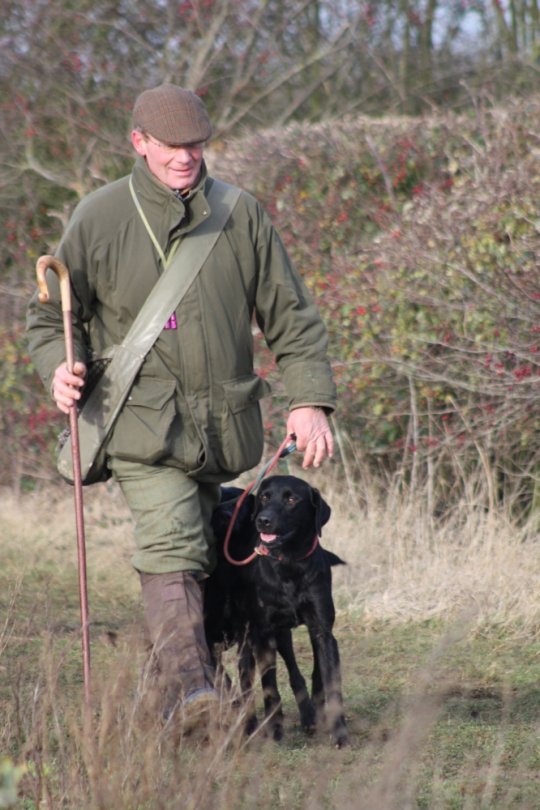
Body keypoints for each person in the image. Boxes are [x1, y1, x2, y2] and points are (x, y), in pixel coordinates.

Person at [26, 83, 337, 729]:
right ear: (138, 142)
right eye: (171, 146)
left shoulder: (240, 213)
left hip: (222, 430)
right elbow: (51, 319)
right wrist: (57, 366)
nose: (185, 158)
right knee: (171, 544)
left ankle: (166, 699)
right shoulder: (99, 216)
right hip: (137, 422)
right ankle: (198, 694)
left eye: (196, 145)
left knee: (202, 553)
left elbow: (292, 314)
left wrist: (309, 398)